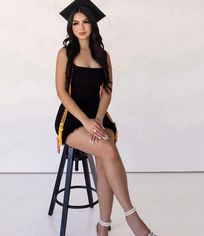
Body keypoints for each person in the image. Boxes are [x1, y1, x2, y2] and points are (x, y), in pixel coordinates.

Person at [54, 0, 157, 235]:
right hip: (73, 119)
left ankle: (103, 225)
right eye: (75, 23)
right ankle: (132, 217)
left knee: (104, 158)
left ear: (93, 25)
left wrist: (98, 119)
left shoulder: (103, 55)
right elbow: (61, 92)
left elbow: (108, 90)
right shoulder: (65, 53)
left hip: (99, 116)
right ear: (70, 26)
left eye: (85, 22)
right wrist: (86, 121)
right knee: (109, 150)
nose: (80, 27)